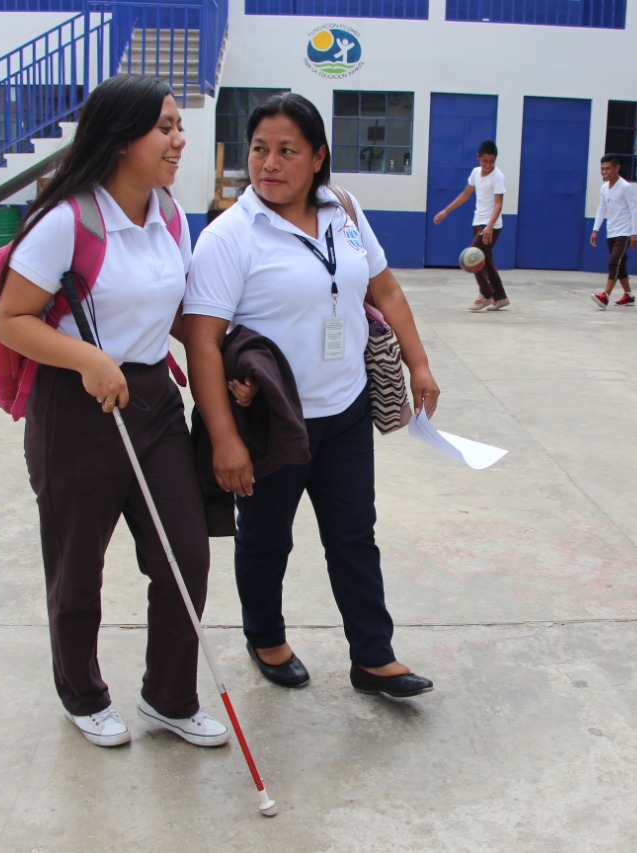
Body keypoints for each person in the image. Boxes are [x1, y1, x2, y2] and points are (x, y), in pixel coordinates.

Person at [0, 74, 229, 750]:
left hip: (154, 401)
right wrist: (88, 360)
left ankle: (170, 697)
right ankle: (83, 693)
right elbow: (12, 318)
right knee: (78, 565)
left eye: (179, 126)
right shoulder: (68, 219)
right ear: (121, 137)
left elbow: (182, 314)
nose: (179, 139)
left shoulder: (172, 217)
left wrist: (231, 364)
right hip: (77, 406)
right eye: (165, 127)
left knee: (184, 555)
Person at [184, 93, 440, 700]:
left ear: (319, 157)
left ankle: (373, 657)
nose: (269, 164)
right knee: (267, 535)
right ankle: (265, 635)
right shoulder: (231, 235)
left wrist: (419, 364)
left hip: (346, 408)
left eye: (287, 151)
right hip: (274, 420)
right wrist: (224, 438)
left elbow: (386, 290)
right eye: (259, 150)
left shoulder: (343, 210)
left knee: (355, 534)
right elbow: (201, 341)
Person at [433, 140, 509, 311]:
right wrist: (446, 211)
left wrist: (490, 226)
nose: (488, 165)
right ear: (478, 158)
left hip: (492, 225)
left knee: (471, 256)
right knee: (486, 261)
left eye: (492, 161)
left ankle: (486, 294)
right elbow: (465, 194)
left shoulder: (498, 177)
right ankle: (501, 297)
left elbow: (498, 204)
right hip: (478, 221)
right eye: (485, 161)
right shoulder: (475, 173)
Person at [589, 154, 637, 308]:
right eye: (602, 169)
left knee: (613, 262)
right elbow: (601, 209)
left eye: (607, 169)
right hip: (611, 231)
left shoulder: (625, 187)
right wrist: (595, 230)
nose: (604, 172)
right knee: (620, 264)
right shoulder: (604, 188)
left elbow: (634, 210)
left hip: (624, 233)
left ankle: (605, 295)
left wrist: (634, 233)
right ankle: (629, 295)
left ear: (617, 168)